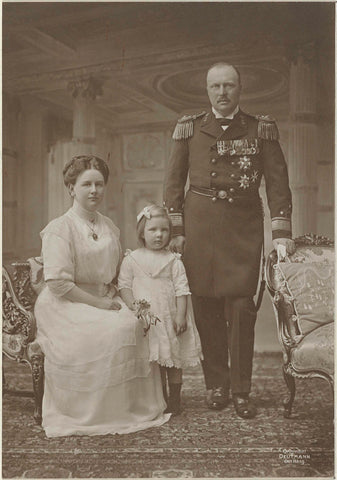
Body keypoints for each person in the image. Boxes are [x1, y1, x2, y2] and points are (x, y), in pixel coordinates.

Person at [163, 63, 295, 419]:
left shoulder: (259, 129)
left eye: (229, 86)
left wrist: (281, 234)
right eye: (216, 86)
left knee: (240, 309)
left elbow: (278, 183)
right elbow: (174, 183)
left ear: (240, 89)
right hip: (200, 226)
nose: (222, 93)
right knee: (205, 308)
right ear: (207, 90)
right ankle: (216, 386)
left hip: (242, 228)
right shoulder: (189, 129)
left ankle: (240, 391)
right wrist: (177, 230)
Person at [34, 155, 170, 437]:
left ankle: (130, 408)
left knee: (138, 323)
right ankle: (93, 414)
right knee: (111, 330)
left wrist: (128, 301)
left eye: (99, 184)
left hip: (106, 297)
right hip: (67, 302)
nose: (94, 190)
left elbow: (118, 271)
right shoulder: (60, 229)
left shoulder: (109, 226)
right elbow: (58, 283)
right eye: (86, 185)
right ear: (71, 188)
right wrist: (99, 304)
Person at [118, 205, 203, 416]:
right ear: (142, 233)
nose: (159, 235)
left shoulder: (174, 261)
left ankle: (174, 399)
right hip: (145, 317)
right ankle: (157, 397)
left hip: (168, 315)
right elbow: (124, 286)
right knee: (151, 358)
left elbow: (182, 289)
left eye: (164, 230)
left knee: (172, 358)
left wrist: (181, 315)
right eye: (153, 230)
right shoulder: (132, 259)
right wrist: (133, 306)